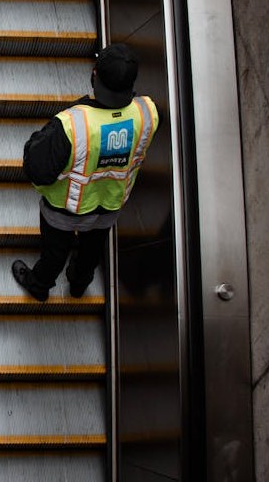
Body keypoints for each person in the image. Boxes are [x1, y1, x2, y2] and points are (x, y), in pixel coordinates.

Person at [12, 43, 159, 302]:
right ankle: (79, 284)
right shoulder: (147, 112)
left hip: (64, 210)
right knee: (91, 251)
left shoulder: (71, 125)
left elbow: (38, 170)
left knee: (54, 253)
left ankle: (40, 285)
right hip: (110, 206)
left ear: (94, 75)